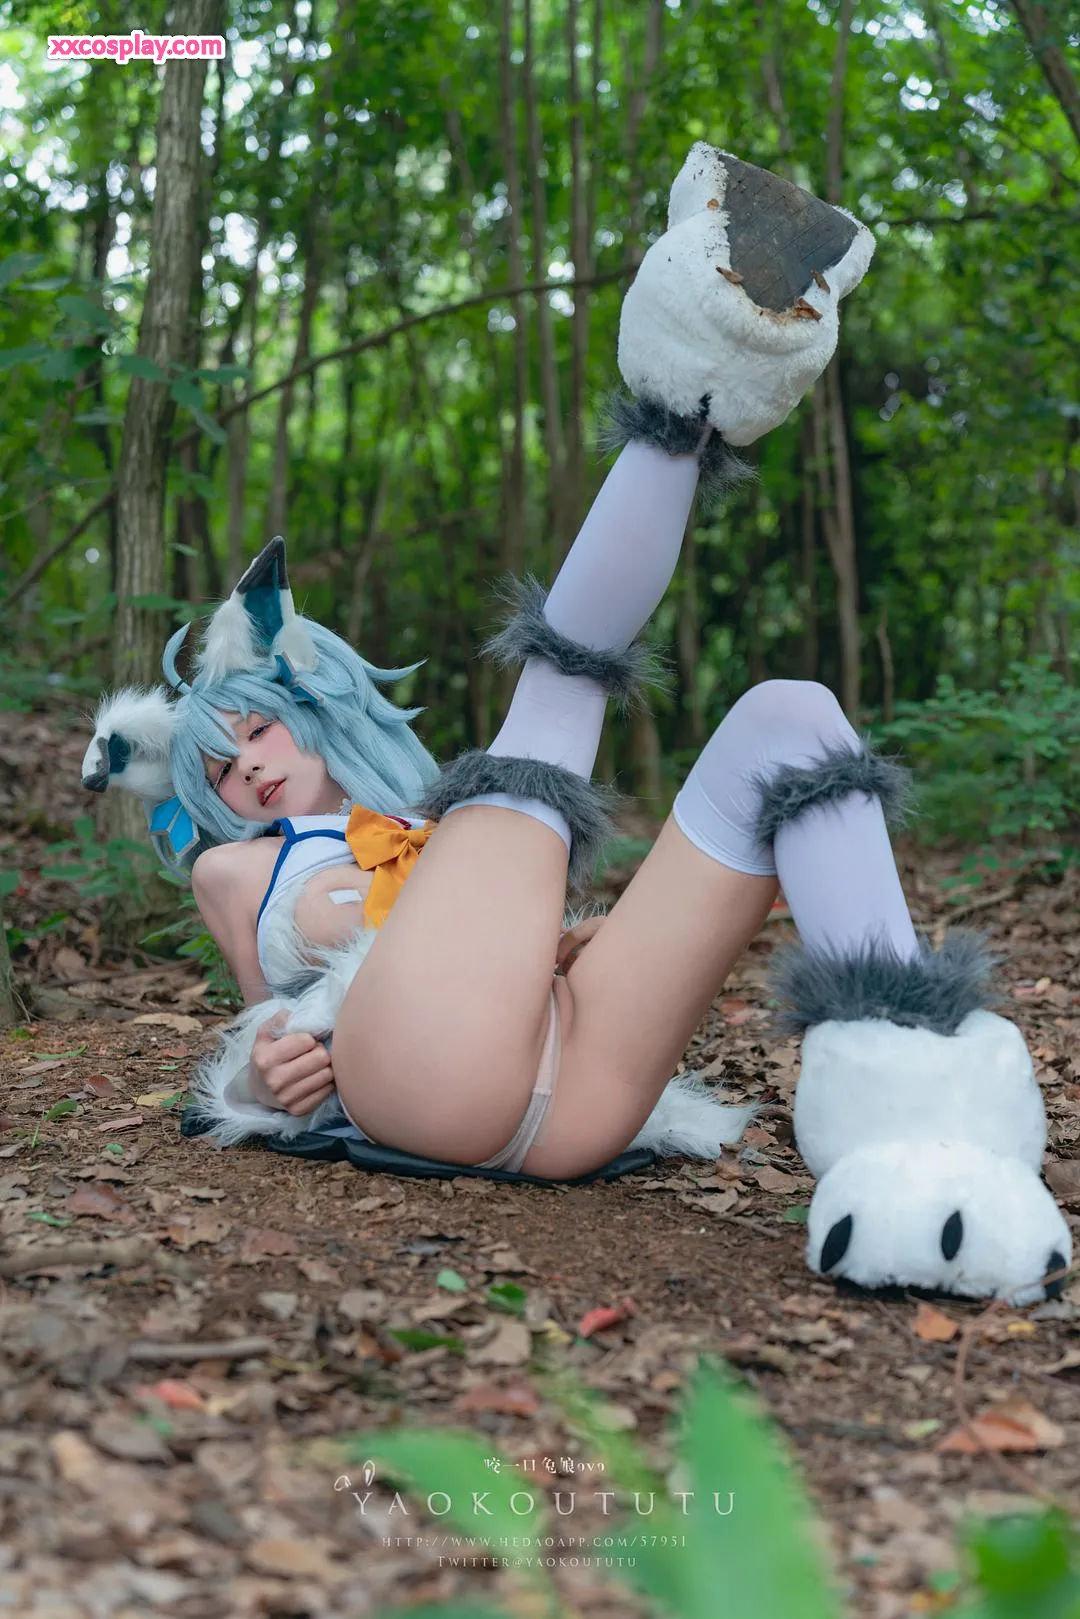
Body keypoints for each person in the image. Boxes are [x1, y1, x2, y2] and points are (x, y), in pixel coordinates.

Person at [84, 145, 1070, 1301]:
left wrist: (567, 943)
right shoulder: (241, 867)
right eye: (215, 769)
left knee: (792, 725)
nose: (245, 770)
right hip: (418, 1078)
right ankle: (689, 392)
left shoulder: (438, 835)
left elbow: (502, 932)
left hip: (578, 1092)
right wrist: (259, 1081)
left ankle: (932, 1158)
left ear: (311, 710)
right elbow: (267, 1025)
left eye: (254, 733)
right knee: (555, 701)